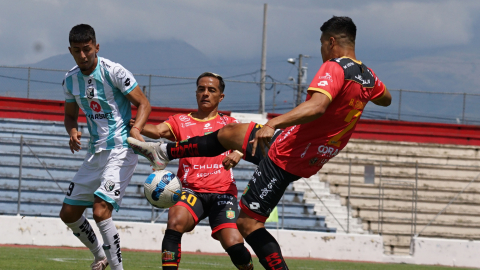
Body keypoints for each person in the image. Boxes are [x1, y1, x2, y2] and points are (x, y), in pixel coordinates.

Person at [128, 16, 392, 269]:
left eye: (322, 44)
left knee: (248, 224)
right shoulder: (366, 75)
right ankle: (166, 152)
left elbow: (318, 106)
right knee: (230, 134)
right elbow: (386, 98)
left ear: (331, 42)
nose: (322, 50)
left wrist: (273, 123)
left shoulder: (335, 67)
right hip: (305, 148)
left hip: (287, 154)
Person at [130, 72, 254, 270]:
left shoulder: (229, 124)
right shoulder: (180, 121)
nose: (205, 93)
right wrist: (137, 126)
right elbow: (158, 131)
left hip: (222, 192)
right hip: (190, 191)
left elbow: (249, 141)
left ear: (221, 97)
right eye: (201, 89)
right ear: (196, 92)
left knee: (233, 243)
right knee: (175, 222)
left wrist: (238, 152)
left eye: (211, 90)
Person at [59, 24, 151, 270]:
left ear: (96, 47)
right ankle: (100, 255)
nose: (83, 55)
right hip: (94, 153)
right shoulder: (70, 80)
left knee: (100, 211)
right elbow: (70, 116)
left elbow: (143, 103)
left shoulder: (114, 72)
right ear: (70, 51)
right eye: (77, 51)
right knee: (68, 213)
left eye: (87, 49)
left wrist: (136, 129)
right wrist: (73, 131)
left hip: (121, 149)